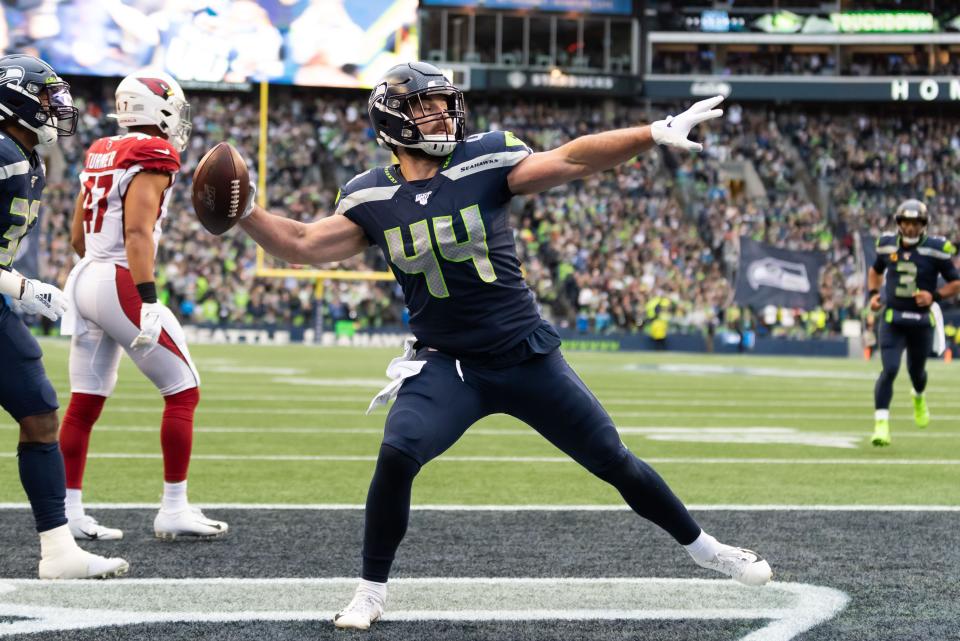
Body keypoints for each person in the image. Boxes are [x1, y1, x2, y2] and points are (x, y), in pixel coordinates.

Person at [236, 61, 772, 630]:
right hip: (446, 365)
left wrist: (651, 132)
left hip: (524, 355)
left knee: (613, 460)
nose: (441, 113)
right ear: (392, 120)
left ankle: (705, 549)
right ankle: (370, 590)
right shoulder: (369, 194)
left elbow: (571, 157)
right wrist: (243, 213)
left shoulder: (484, 158)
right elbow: (300, 243)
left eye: (443, 102)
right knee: (397, 455)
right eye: (424, 106)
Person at [58, 69, 227, 541]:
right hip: (119, 278)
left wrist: (100, 282)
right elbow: (136, 232)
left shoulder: (100, 150)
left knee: (84, 403)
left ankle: (68, 513)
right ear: (158, 107)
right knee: (183, 390)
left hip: (86, 275)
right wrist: (146, 299)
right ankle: (174, 507)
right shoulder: (153, 152)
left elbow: (76, 236)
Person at [0, 53, 128, 579]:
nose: (57, 109)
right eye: (47, 98)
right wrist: (19, 284)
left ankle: (57, 550)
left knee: (40, 412)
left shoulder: (25, 157)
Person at [867, 199, 960, 446]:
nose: (910, 228)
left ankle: (918, 396)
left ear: (924, 225)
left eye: (915, 223)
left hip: (920, 321)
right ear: (899, 223)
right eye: (906, 222)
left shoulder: (936, 248)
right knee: (889, 370)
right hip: (893, 319)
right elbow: (875, 271)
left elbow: (956, 282)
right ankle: (881, 425)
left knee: (916, 373)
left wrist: (935, 295)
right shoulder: (886, 245)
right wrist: (873, 296)